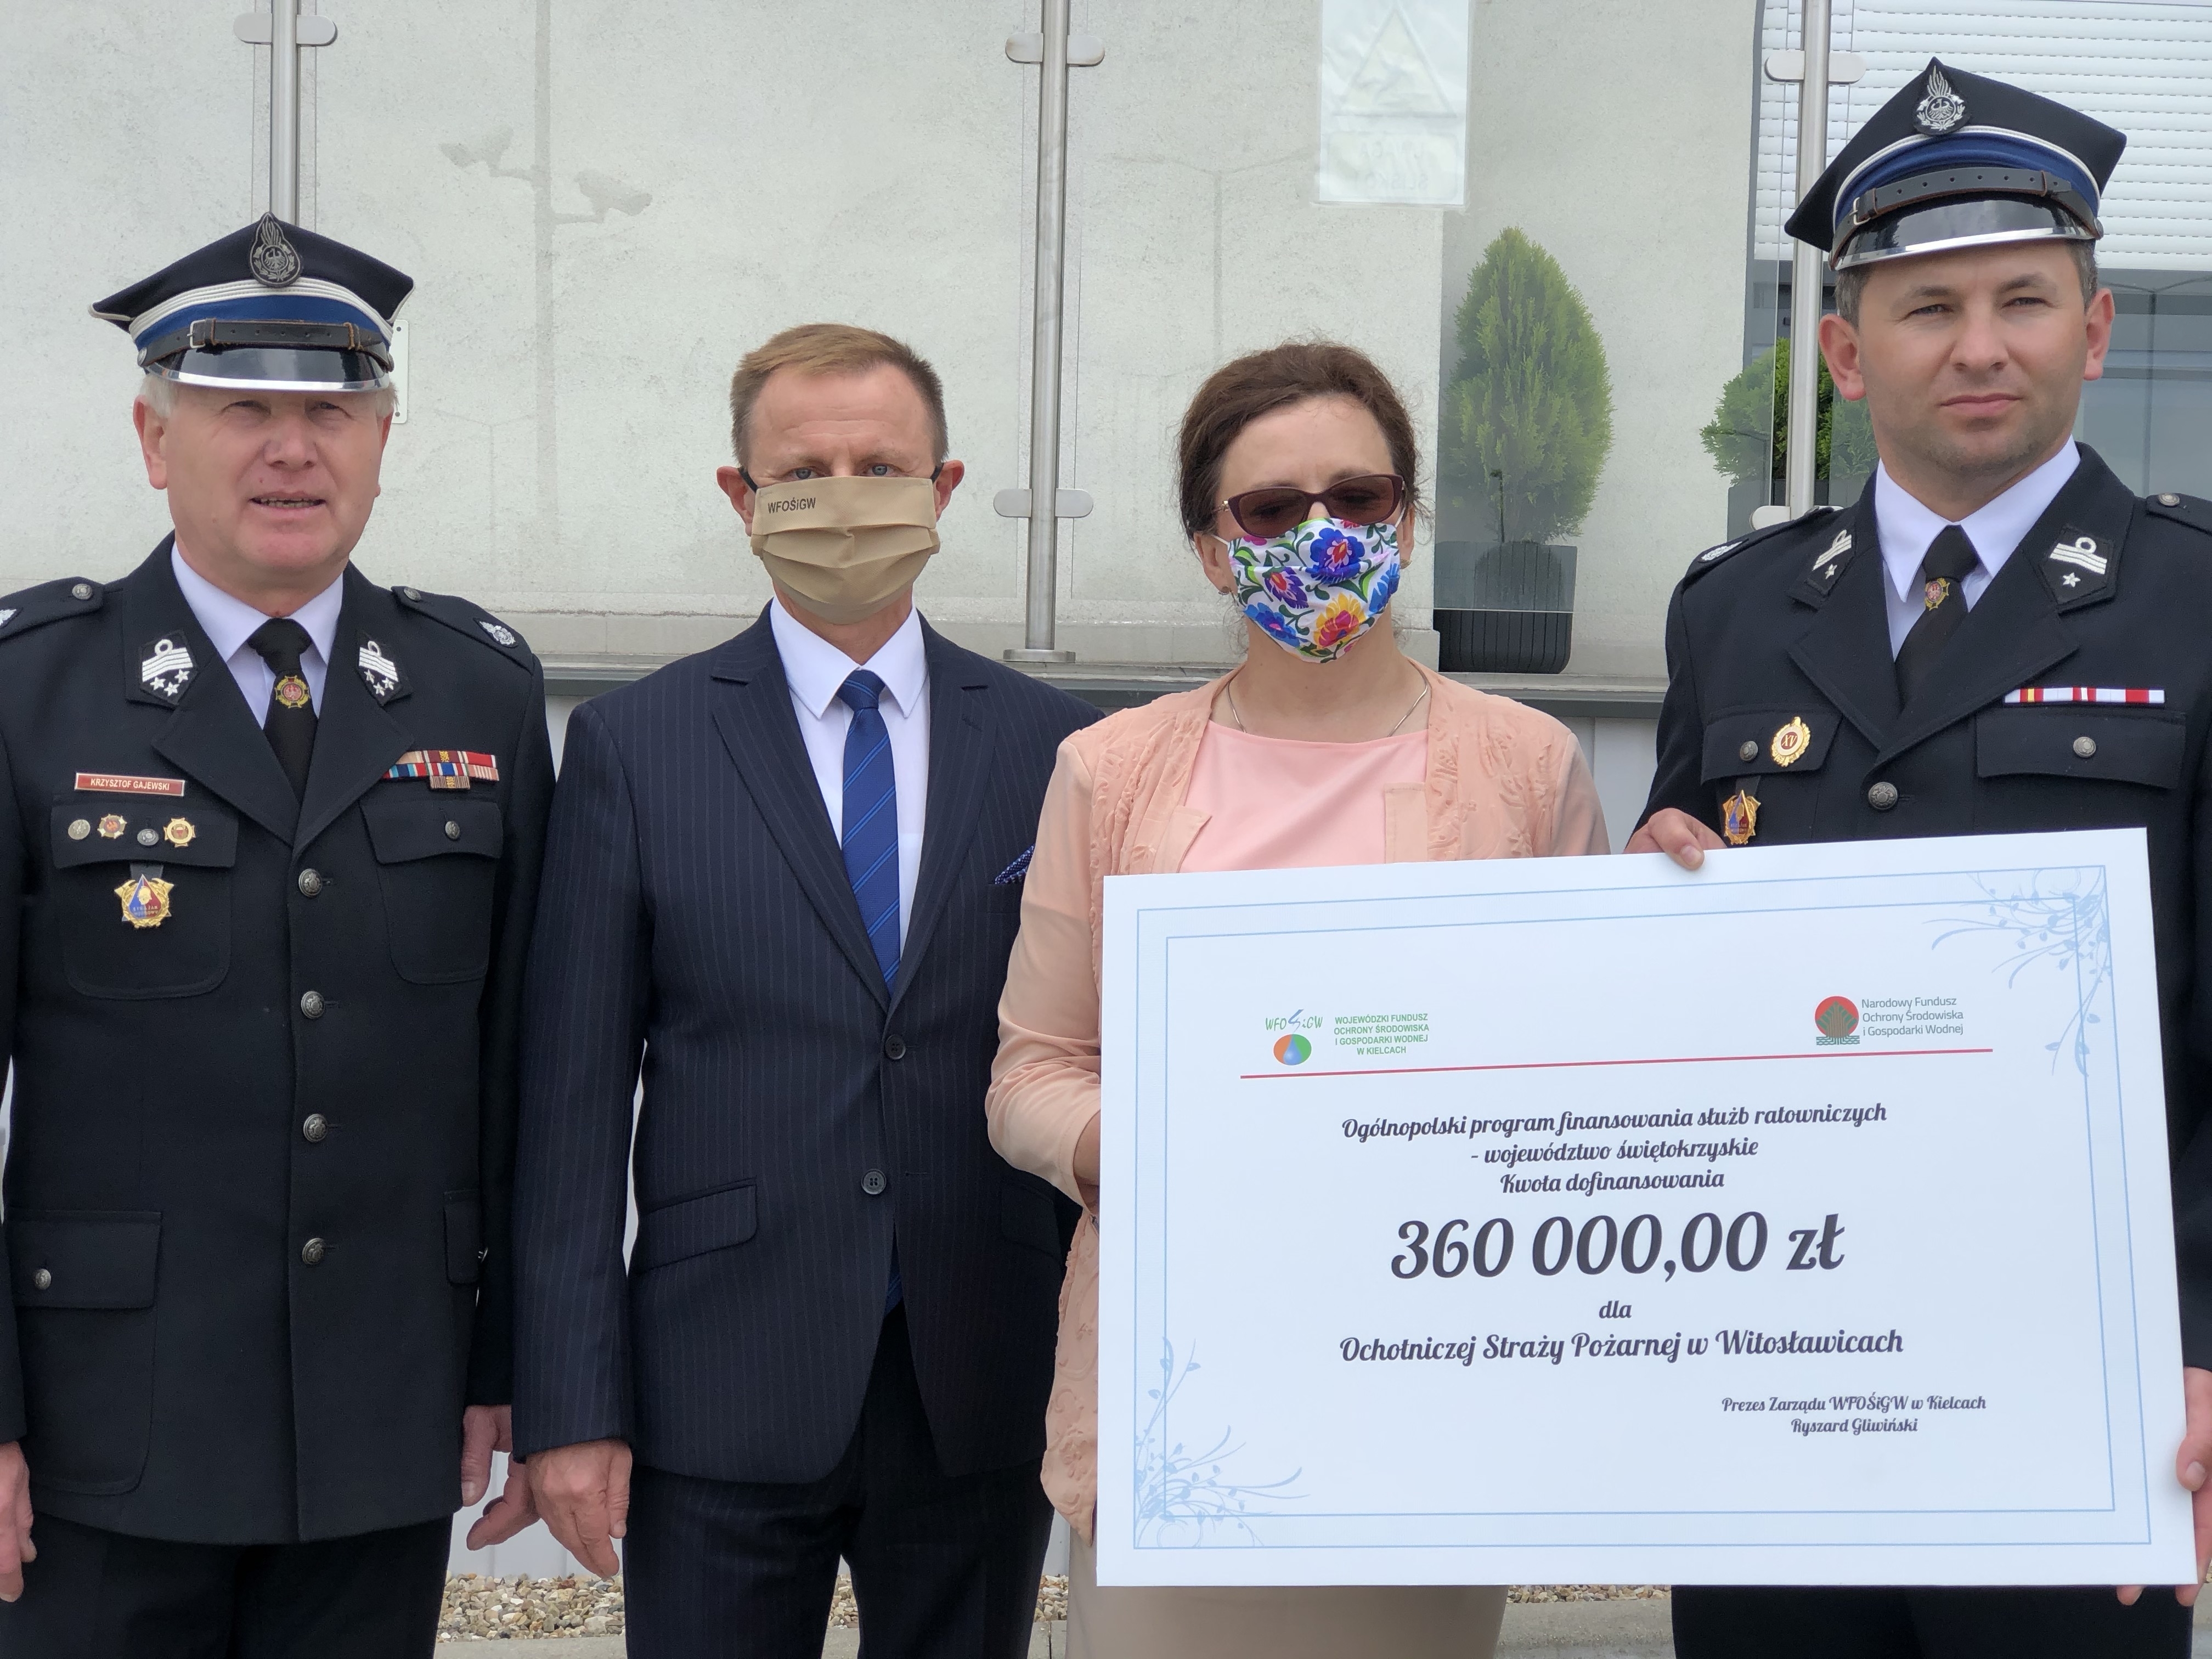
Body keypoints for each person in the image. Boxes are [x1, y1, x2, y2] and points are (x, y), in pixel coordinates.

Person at [1631, 60, 2212, 1658]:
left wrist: (2205, 1341)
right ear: (1844, 350)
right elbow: (1690, 932)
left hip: (2079, 1378)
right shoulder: (1736, 610)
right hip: (1768, 1377)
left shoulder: (2194, 602)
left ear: (2095, 329)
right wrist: (1647, 897)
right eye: (1928, 307)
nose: (1980, 346)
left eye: (2025, 300)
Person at [986, 340, 1609, 1657]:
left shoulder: (1527, 766)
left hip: (1433, 1389)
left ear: (1409, 519)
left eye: (1359, 497)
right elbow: (1031, 1073)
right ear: (1214, 550)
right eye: (1271, 510)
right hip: (1186, 1387)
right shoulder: (1110, 772)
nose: (1321, 535)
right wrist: (1142, 1150)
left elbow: (1589, 1070)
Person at [0, 214, 553, 1657]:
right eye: (242, 409)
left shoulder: (478, 694)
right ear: (153, 437)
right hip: (103, 1424)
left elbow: (520, 1077)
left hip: (382, 1414)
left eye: (333, 414)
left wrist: (511, 1364)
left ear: (383, 440)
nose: (292, 450)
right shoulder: (30, 693)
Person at [512, 323, 1099, 1657]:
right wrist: (570, 1405)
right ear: (741, 496)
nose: (844, 499)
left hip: (979, 1360)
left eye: (881, 467)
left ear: (945, 489)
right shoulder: (635, 745)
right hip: (722, 1374)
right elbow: (571, 1111)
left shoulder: (1060, 748)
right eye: (803, 472)